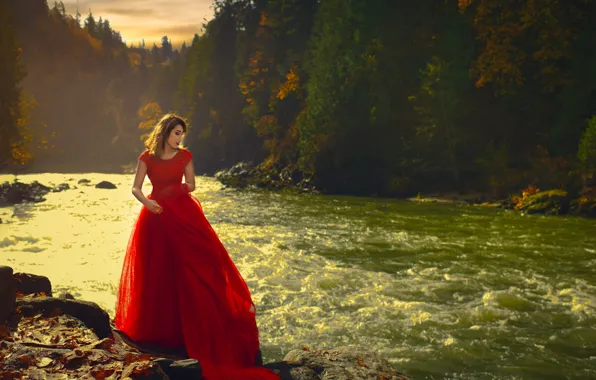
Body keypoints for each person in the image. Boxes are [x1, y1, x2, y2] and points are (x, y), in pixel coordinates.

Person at [114, 113, 279, 379]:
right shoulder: (146, 158)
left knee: (202, 262)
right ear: (165, 132)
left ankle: (201, 329)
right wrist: (149, 203)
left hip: (183, 212)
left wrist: (179, 190)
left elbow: (191, 184)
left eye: (182, 133)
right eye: (177, 132)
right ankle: (160, 330)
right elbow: (135, 188)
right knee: (156, 270)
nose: (180, 138)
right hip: (155, 216)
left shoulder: (184, 156)